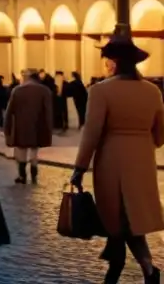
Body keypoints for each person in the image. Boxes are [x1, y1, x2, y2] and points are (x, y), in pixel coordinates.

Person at [72, 35, 164, 283]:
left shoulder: (101, 91)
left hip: (111, 160)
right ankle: (127, 267)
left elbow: (91, 133)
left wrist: (80, 166)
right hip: (142, 160)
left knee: (116, 217)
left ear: (113, 62)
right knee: (132, 216)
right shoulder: (152, 91)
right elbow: (159, 135)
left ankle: (134, 268)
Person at [2, 68, 53, 185]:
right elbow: (48, 112)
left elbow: (9, 112)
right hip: (38, 126)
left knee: (21, 150)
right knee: (34, 151)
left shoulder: (18, 90)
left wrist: (7, 128)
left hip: (21, 126)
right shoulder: (45, 91)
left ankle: (22, 175)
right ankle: (34, 174)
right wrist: (48, 128)